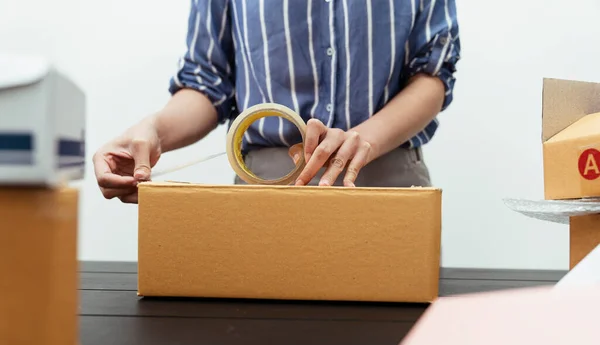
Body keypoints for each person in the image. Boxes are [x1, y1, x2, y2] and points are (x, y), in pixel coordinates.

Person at [93, 0, 460, 203]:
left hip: (389, 186)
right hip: (264, 191)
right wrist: (154, 131)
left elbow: (433, 73)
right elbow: (207, 83)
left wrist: (366, 139)